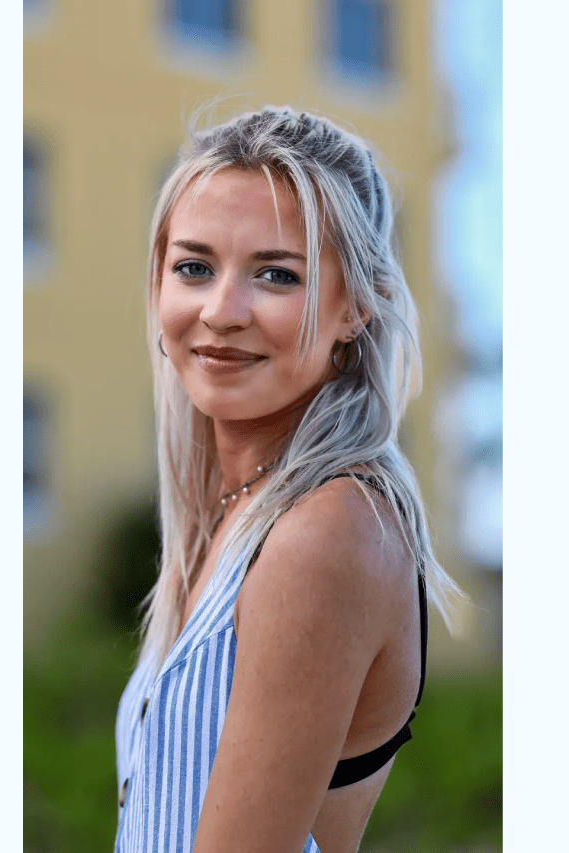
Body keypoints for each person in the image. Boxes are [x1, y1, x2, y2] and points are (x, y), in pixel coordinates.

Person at [114, 106, 468, 853]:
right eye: (194, 267)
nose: (221, 311)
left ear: (356, 308)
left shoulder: (328, 532)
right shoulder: (238, 511)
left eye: (276, 274)